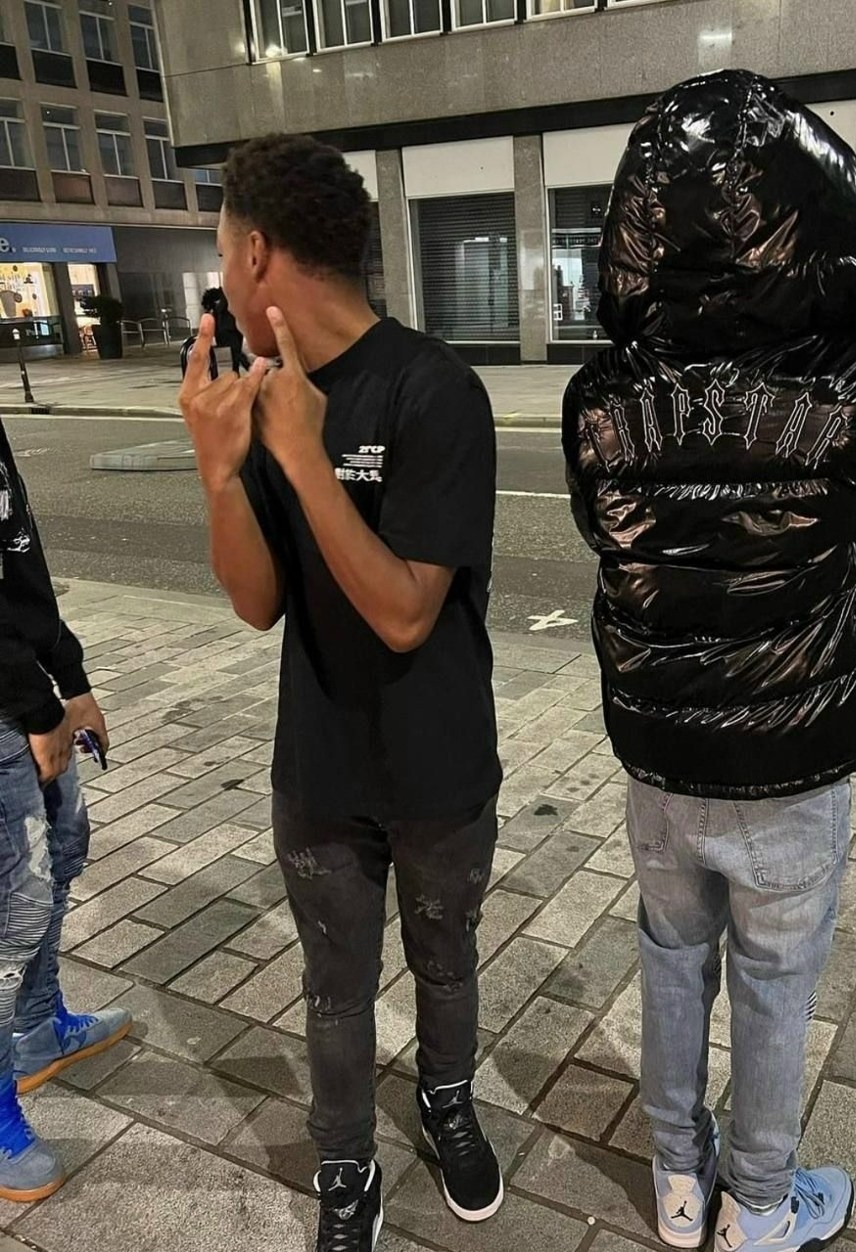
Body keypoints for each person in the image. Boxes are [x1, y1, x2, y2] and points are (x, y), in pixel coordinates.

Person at [564, 71, 856, 1252]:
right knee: (776, 983)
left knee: (671, 958)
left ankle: (680, 1184)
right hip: (793, 746)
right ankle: (763, 1206)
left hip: (661, 742)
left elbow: (606, 531)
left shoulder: (601, 396)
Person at [179, 134, 503, 1252]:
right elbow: (258, 602)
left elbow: (408, 611)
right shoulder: (266, 397)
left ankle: (448, 1103)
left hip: (439, 765)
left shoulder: (434, 389)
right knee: (334, 986)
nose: (222, 278)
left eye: (222, 249)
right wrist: (222, 472)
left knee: (445, 961)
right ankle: (346, 1163)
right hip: (320, 769)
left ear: (256, 253)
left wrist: (307, 457)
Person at [0, 422, 131, 1203]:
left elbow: (16, 556)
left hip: (25, 690)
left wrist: (70, 676)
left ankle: (39, 1029)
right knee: (10, 911)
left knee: (62, 852)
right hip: (7, 703)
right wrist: (36, 704)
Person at [202, 286, 247, 374]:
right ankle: (246, 368)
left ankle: (237, 371)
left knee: (236, 352)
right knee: (236, 352)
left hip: (233, 328)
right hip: (229, 329)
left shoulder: (225, 300)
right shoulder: (222, 301)